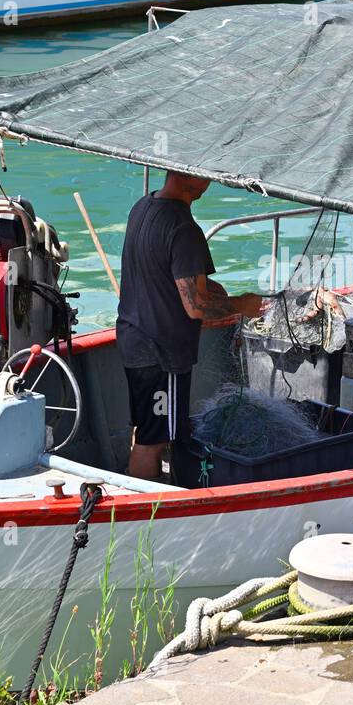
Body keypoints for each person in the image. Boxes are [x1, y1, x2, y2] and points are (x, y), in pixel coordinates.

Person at [116, 172, 265, 482]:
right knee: (152, 441)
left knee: (149, 428)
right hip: (160, 353)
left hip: (134, 336)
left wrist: (207, 283)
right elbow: (196, 307)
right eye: (207, 178)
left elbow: (162, 269)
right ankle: (148, 513)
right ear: (192, 179)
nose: (209, 184)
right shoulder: (185, 230)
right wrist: (242, 304)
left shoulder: (142, 206)